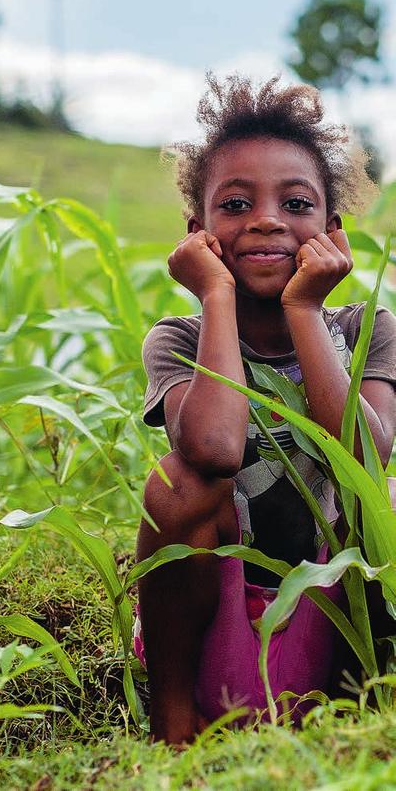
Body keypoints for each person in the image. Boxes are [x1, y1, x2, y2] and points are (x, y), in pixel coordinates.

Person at [136, 75, 396, 746]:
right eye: (236, 203)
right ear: (198, 234)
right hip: (218, 619)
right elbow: (214, 450)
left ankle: (372, 702)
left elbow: (364, 460)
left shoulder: (371, 331)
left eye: (297, 202)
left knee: (389, 495)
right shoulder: (180, 338)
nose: (267, 219)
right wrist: (215, 298)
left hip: (338, 621)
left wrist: (304, 310)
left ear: (333, 231)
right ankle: (172, 730)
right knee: (176, 486)